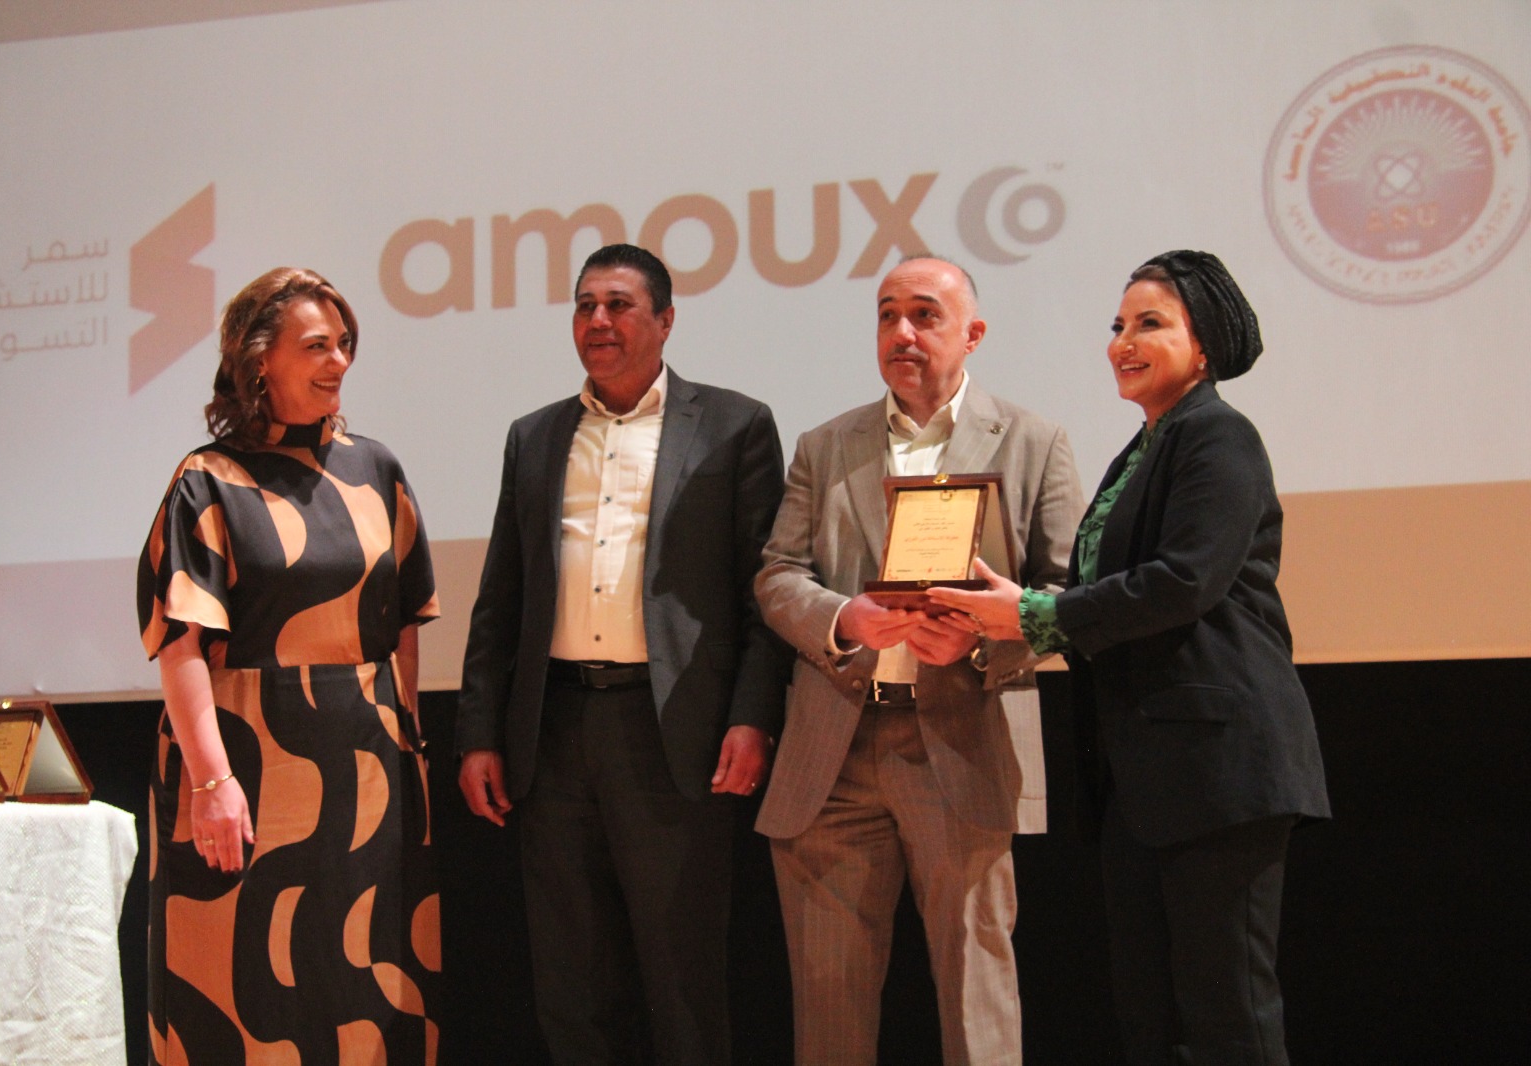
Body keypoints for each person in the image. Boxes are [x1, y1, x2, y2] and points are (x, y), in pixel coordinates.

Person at [928, 250, 1331, 1065]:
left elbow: (1182, 583)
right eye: (1118, 325)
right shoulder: (1143, 450)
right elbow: (1105, 596)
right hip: (1145, 774)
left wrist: (1031, 614)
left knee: (1227, 1014)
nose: (1123, 342)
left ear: (1204, 345)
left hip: (1219, 769)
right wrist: (1013, 611)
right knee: (1153, 1017)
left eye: (1150, 324)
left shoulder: (1219, 436)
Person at [454, 243, 790, 1064]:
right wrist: (479, 733)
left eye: (618, 305)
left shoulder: (734, 425)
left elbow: (765, 595)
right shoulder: (535, 436)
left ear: (666, 321)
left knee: (683, 975)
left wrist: (753, 718)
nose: (597, 321)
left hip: (672, 733)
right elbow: (502, 599)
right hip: (553, 733)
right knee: (570, 980)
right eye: (584, 306)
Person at [755, 255, 1085, 1065]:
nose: (901, 332)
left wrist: (984, 638)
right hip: (835, 749)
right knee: (828, 1013)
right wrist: (845, 619)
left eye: (925, 315)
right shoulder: (825, 445)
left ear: (973, 334)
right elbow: (778, 575)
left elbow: (1071, 597)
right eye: (886, 314)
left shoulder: (1033, 441)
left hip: (965, 740)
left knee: (978, 1001)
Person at [136, 267, 442, 1064]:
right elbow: (180, 643)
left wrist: (407, 742)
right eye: (316, 346)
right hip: (245, 768)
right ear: (258, 359)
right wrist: (211, 781)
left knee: (365, 990)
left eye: (344, 344)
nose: (339, 361)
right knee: (238, 989)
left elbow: (403, 622)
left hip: (369, 771)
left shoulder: (376, 470)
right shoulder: (208, 480)